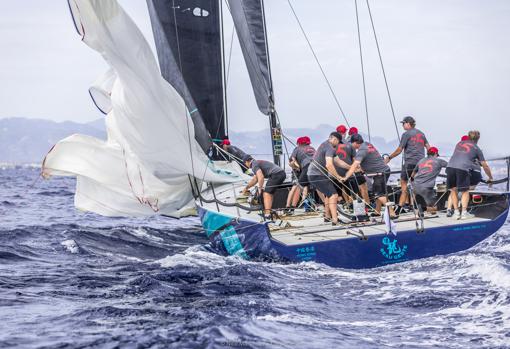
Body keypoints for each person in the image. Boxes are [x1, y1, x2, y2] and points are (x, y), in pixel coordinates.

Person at [385, 116, 430, 214]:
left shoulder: (406, 134)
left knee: (404, 184)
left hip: (409, 163)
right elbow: (428, 147)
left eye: (403, 123)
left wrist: (389, 158)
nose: (402, 125)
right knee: (417, 185)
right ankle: (420, 207)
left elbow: (399, 150)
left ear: (408, 124)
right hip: (421, 164)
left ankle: (400, 207)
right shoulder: (421, 134)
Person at [341, 134, 394, 216]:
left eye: (351, 143)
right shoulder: (368, 144)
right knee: (379, 193)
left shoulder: (361, 150)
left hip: (380, 173)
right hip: (384, 170)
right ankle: (377, 211)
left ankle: (392, 213)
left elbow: (355, 165)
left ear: (355, 143)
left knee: (378, 194)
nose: (351, 145)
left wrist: (346, 176)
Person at [446, 130, 493, 220]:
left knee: (453, 190)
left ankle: (456, 213)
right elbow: (485, 165)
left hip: (450, 167)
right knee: (465, 191)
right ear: (478, 139)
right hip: (463, 169)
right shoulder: (477, 148)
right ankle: (464, 213)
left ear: (468, 136)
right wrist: (490, 177)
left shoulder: (459, 143)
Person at [307, 132, 344, 225]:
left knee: (328, 195)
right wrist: (338, 176)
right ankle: (335, 220)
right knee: (334, 195)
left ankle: (327, 217)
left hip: (314, 174)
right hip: (317, 175)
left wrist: (352, 167)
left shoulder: (325, 144)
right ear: (335, 139)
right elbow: (329, 165)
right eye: (339, 142)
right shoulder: (330, 147)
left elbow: (338, 161)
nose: (338, 145)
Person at [410, 147, 447, 215]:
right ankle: (423, 208)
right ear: (435, 153)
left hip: (415, 186)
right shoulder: (439, 161)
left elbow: (413, 174)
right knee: (437, 208)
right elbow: (451, 166)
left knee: (423, 199)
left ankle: (420, 207)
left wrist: (412, 183)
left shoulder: (421, 160)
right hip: (427, 187)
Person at [334, 139, 370, 205]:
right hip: (350, 171)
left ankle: (349, 203)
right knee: (361, 188)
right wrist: (357, 169)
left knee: (343, 189)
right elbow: (355, 159)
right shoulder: (350, 144)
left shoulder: (333, 145)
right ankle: (366, 204)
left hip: (337, 171)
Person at [287, 136, 316, 211]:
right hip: (316, 166)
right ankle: (324, 203)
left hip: (304, 168)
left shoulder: (297, 149)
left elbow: (291, 162)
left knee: (298, 186)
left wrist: (297, 167)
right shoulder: (312, 148)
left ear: (298, 143)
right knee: (314, 185)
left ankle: (291, 206)